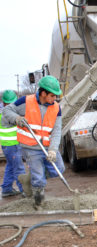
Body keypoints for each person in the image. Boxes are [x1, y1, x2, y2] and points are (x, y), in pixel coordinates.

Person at [1, 76, 65, 209]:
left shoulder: (56, 108)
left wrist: (53, 149)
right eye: (52, 95)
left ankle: (29, 179)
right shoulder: (25, 101)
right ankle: (38, 202)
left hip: (47, 146)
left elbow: (57, 130)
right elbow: (7, 110)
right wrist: (17, 118)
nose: (55, 99)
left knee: (59, 168)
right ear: (43, 93)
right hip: (30, 147)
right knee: (39, 178)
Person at [0, 90, 25, 198]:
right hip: (13, 145)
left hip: (6, 146)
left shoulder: (2, 113)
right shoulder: (9, 114)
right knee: (19, 168)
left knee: (11, 166)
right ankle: (25, 190)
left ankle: (6, 188)